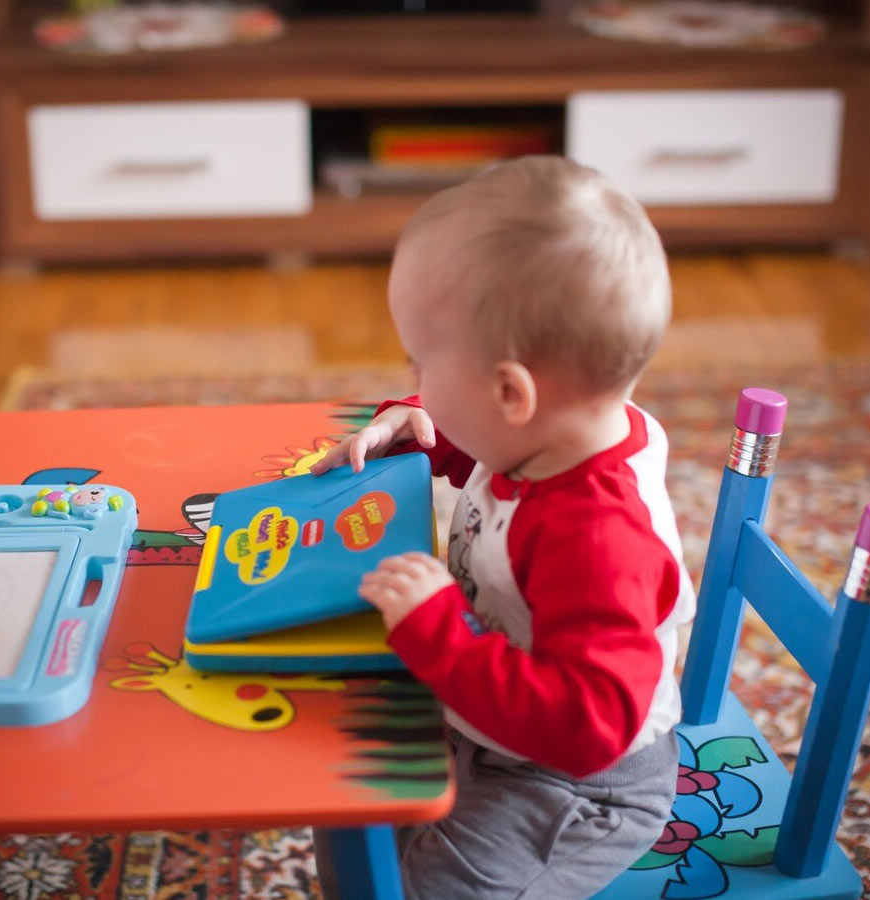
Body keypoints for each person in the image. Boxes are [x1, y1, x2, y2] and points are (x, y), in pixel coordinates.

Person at [310, 156, 695, 900]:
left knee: (423, 890)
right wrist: (425, 429)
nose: (414, 374)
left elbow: (589, 726)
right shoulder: (563, 427)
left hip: (572, 784)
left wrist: (438, 631)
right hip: (497, 718)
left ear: (511, 392)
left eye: (423, 363)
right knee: (345, 800)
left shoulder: (598, 539)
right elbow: (495, 444)